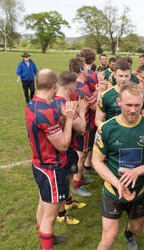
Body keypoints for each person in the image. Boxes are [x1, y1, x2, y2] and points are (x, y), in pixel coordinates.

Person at [93, 83, 144, 250]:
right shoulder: (106, 129)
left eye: (137, 105)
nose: (133, 110)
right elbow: (96, 161)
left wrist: (137, 171)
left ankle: (129, 233)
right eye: (128, 105)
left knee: (138, 228)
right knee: (108, 238)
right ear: (119, 102)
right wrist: (117, 184)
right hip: (113, 190)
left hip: (138, 191)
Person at [25, 68, 75, 250]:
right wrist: (69, 120)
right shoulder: (45, 112)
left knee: (42, 205)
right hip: (51, 168)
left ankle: (47, 237)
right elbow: (63, 144)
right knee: (50, 215)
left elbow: (49, 128)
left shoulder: (33, 104)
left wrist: (62, 117)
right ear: (55, 85)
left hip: (39, 164)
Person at [51, 71, 89, 225]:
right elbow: (81, 127)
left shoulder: (55, 100)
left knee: (66, 180)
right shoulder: (64, 104)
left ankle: (68, 202)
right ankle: (61, 214)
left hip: (61, 148)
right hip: (64, 150)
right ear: (72, 85)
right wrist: (82, 111)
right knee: (64, 181)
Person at [69, 56, 98, 197]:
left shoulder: (71, 84)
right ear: (81, 69)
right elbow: (94, 107)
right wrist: (100, 92)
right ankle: (76, 185)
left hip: (74, 124)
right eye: (86, 67)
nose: (89, 69)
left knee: (79, 154)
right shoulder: (82, 86)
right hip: (84, 126)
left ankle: (79, 178)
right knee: (81, 156)